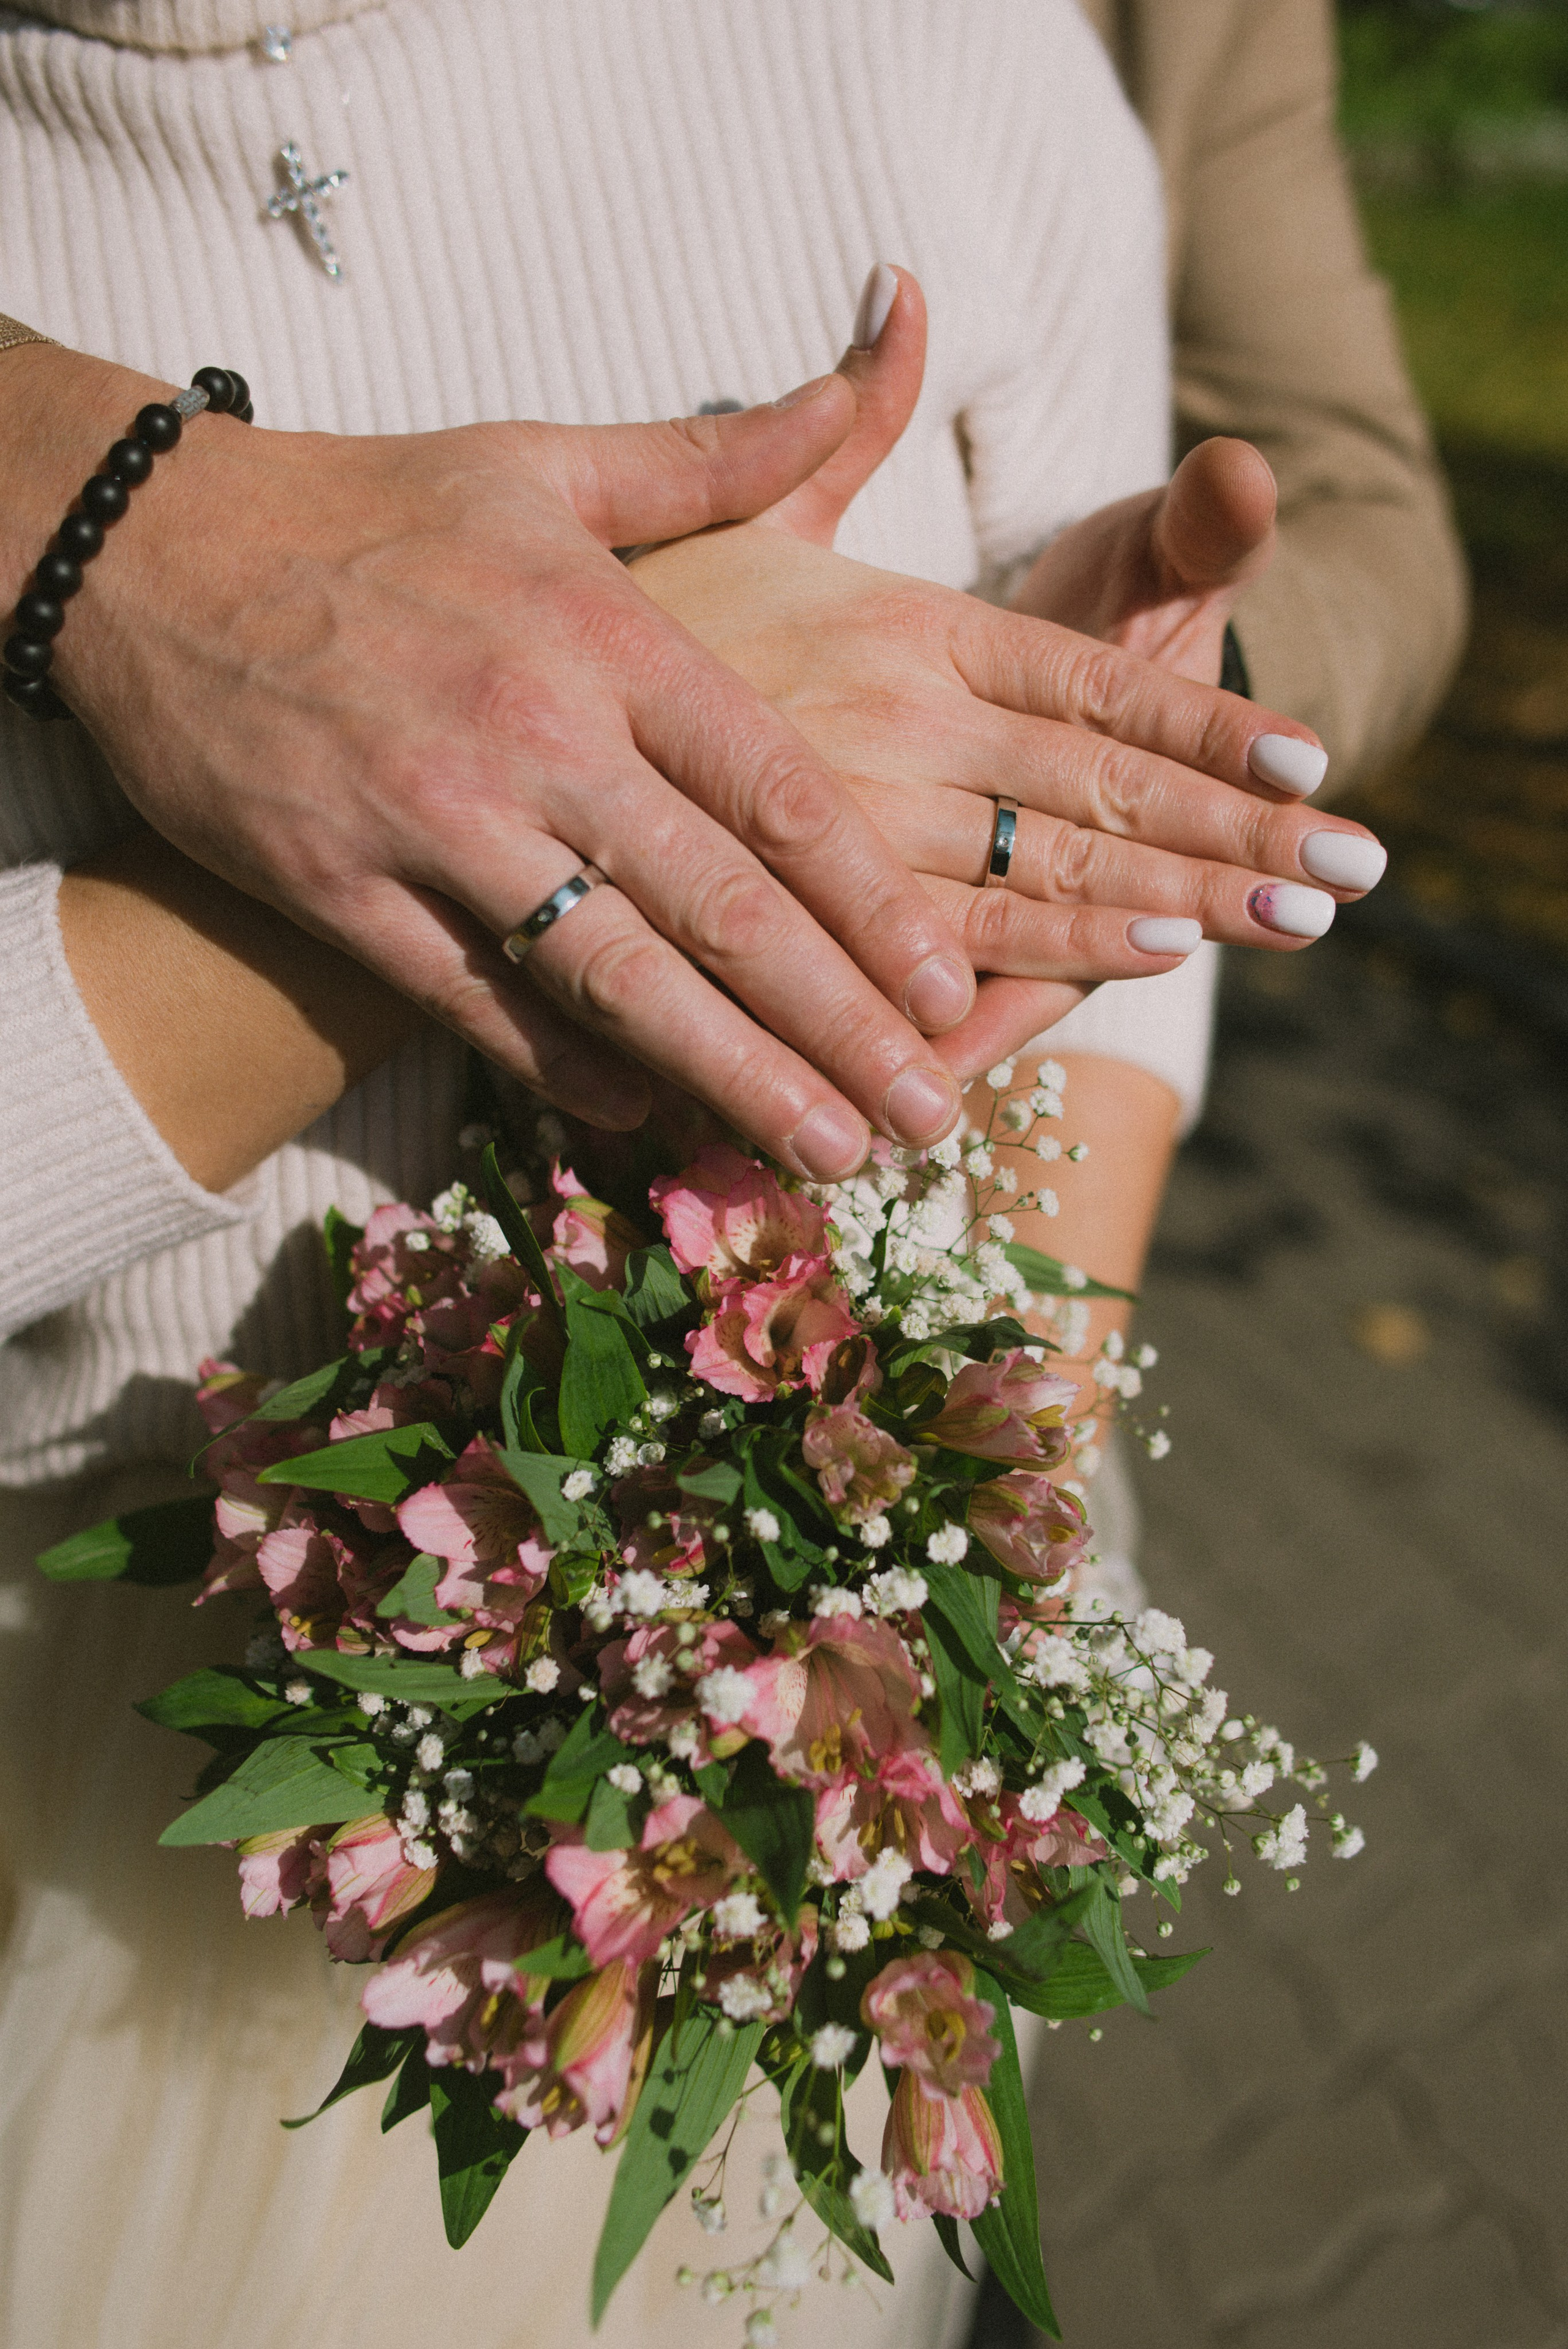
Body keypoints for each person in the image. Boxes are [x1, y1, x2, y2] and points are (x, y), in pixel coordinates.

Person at [0, 6, 1390, 2347]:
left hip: (751, 1799)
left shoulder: (940, 53)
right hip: (86, 1773)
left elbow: (1100, 826)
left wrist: (947, 1491)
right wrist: (464, 778)